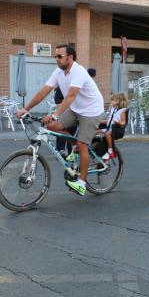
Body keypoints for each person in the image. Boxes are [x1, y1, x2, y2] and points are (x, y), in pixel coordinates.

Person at [16, 44, 105, 196]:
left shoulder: (79, 71)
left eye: (59, 56)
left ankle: (82, 183)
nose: (56, 59)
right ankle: (74, 145)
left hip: (91, 111)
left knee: (83, 144)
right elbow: (44, 91)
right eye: (55, 56)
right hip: (76, 109)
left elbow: (70, 95)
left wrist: (56, 113)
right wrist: (27, 108)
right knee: (50, 125)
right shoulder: (59, 72)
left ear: (70, 57)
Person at [101, 92, 128, 161]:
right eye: (111, 100)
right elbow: (109, 121)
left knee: (107, 133)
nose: (111, 102)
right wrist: (99, 121)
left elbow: (123, 123)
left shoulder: (122, 111)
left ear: (119, 102)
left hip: (117, 130)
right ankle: (98, 150)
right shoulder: (113, 110)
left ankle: (110, 151)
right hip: (110, 128)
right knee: (96, 131)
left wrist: (117, 122)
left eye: (113, 100)